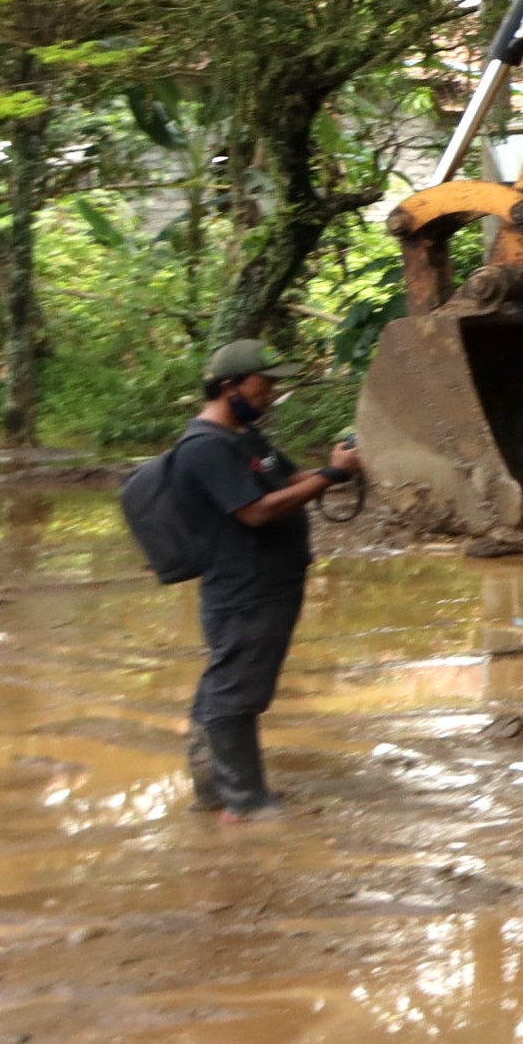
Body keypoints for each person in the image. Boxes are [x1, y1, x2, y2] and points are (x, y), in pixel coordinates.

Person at [170, 339, 362, 818]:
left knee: (230, 681)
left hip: (272, 582)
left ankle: (213, 789)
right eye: (264, 384)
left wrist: (331, 468)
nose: (271, 394)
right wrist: (333, 478)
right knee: (236, 689)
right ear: (229, 385)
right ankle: (246, 802)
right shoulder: (204, 448)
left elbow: (287, 483)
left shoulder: (246, 438)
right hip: (243, 588)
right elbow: (254, 511)